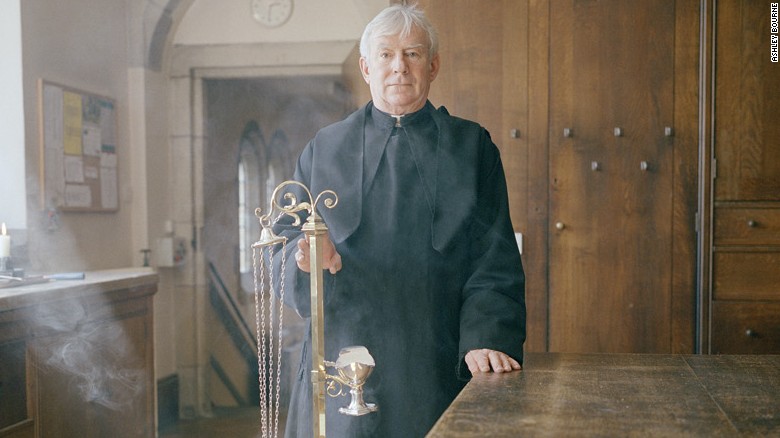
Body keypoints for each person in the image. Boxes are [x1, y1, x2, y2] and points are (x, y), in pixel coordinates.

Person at [273, 4, 526, 437]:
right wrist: (306, 258)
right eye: (386, 55)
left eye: (412, 54)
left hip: (436, 355)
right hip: (343, 356)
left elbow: (494, 255)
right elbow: (283, 241)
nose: (399, 68)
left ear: (434, 65)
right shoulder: (324, 148)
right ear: (366, 66)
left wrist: (486, 335)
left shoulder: (473, 147)